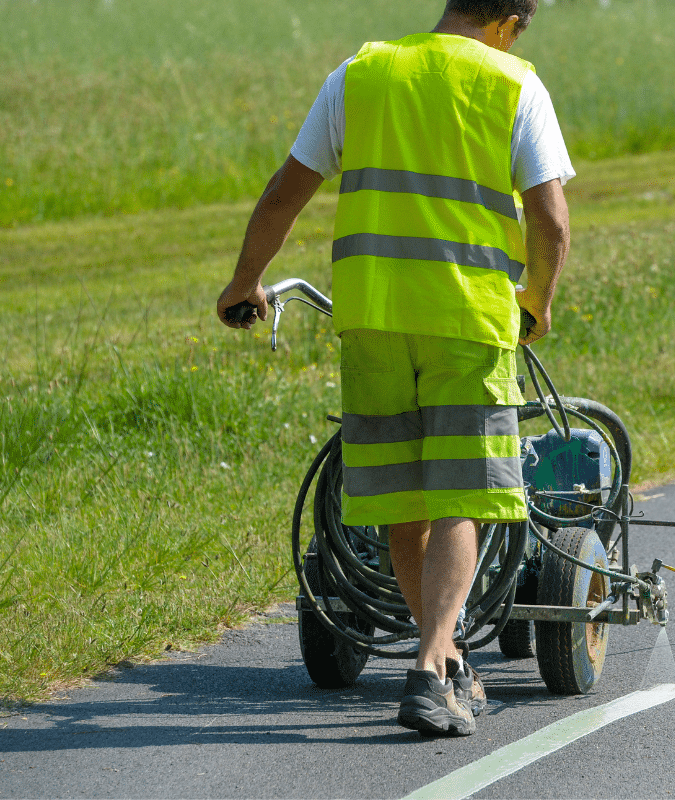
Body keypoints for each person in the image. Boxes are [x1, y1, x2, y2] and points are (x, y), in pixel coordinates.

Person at [215, 0, 573, 737]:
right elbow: (551, 220)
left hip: (372, 319)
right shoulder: (513, 84)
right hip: (466, 320)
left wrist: (244, 280)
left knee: (403, 501)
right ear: (511, 19)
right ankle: (431, 665)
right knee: (461, 496)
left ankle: (441, 658)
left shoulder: (361, 73)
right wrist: (534, 302)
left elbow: (285, 192)